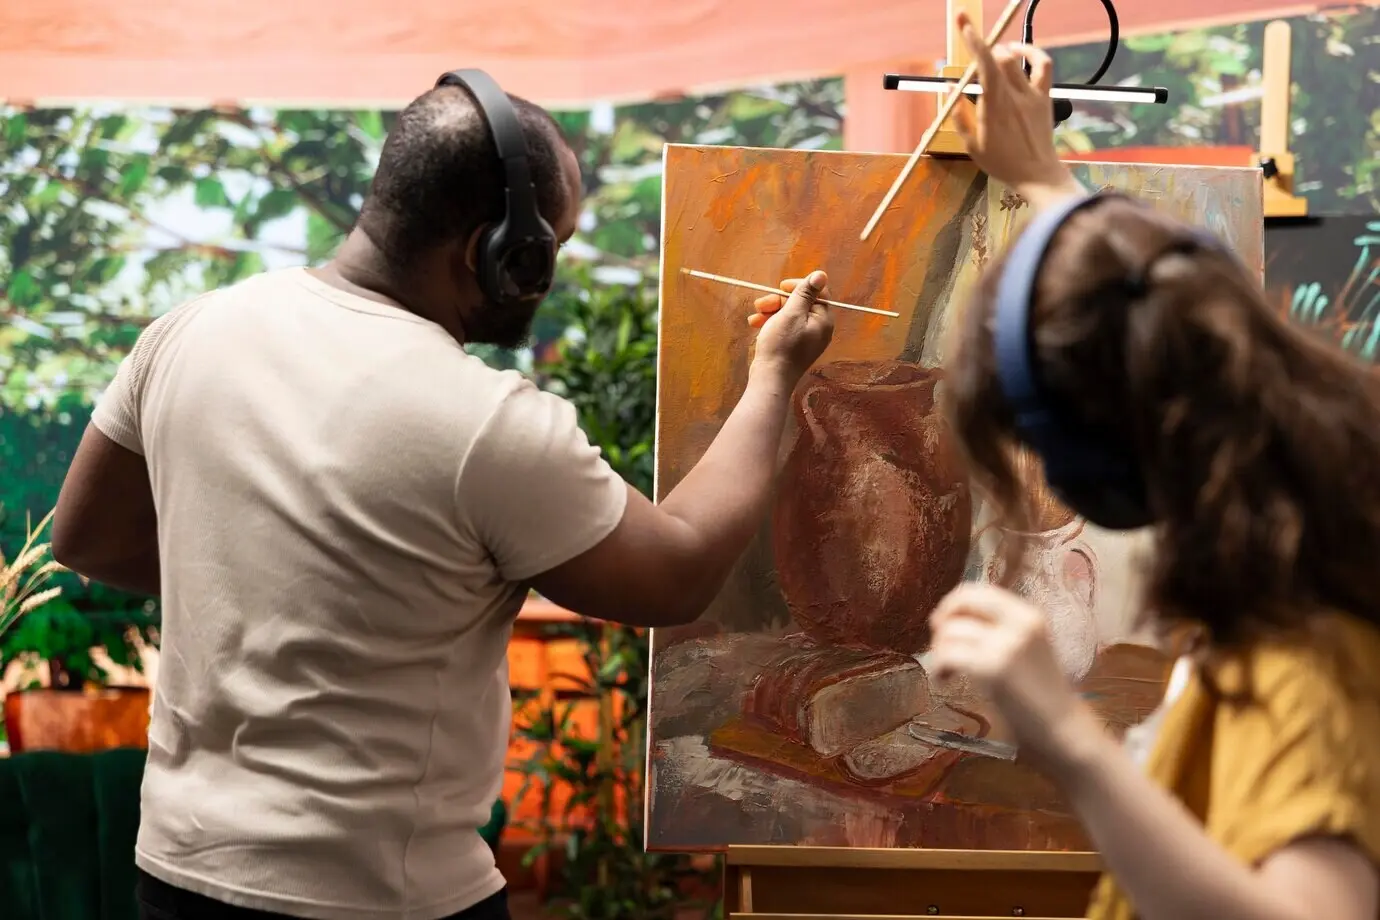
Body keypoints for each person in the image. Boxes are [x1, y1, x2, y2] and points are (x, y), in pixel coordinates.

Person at [50, 77, 835, 920]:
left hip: (177, 876)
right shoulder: (484, 422)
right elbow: (676, 572)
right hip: (380, 899)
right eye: (551, 248)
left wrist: (281, 588)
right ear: (497, 252)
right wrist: (775, 374)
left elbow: (86, 539)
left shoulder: (186, 331)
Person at [905, 11, 1380, 920]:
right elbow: (1156, 311)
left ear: (1096, 463)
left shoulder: (1300, 643)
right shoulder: (1312, 520)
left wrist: (1069, 742)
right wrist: (1044, 180)